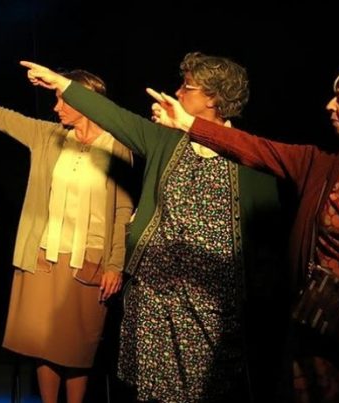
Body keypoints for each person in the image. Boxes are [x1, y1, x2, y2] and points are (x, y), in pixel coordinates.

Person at [146, 60, 339, 402]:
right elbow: (255, 149)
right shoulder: (322, 163)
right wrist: (186, 123)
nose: (329, 105)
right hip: (314, 328)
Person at [21, 53, 283, 402]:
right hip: (156, 292)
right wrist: (63, 84)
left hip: (211, 299)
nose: (178, 91)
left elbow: (267, 238)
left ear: (213, 98)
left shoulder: (250, 155)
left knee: (210, 387)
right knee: (155, 388)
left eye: (187, 87)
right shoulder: (166, 140)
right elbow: (113, 116)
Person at [0, 67, 133, 403]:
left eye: (62, 100)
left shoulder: (117, 146)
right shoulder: (47, 135)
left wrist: (115, 264)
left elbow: (122, 210)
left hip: (89, 260)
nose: (56, 108)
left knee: (77, 349)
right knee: (43, 346)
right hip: (43, 257)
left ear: (84, 100)